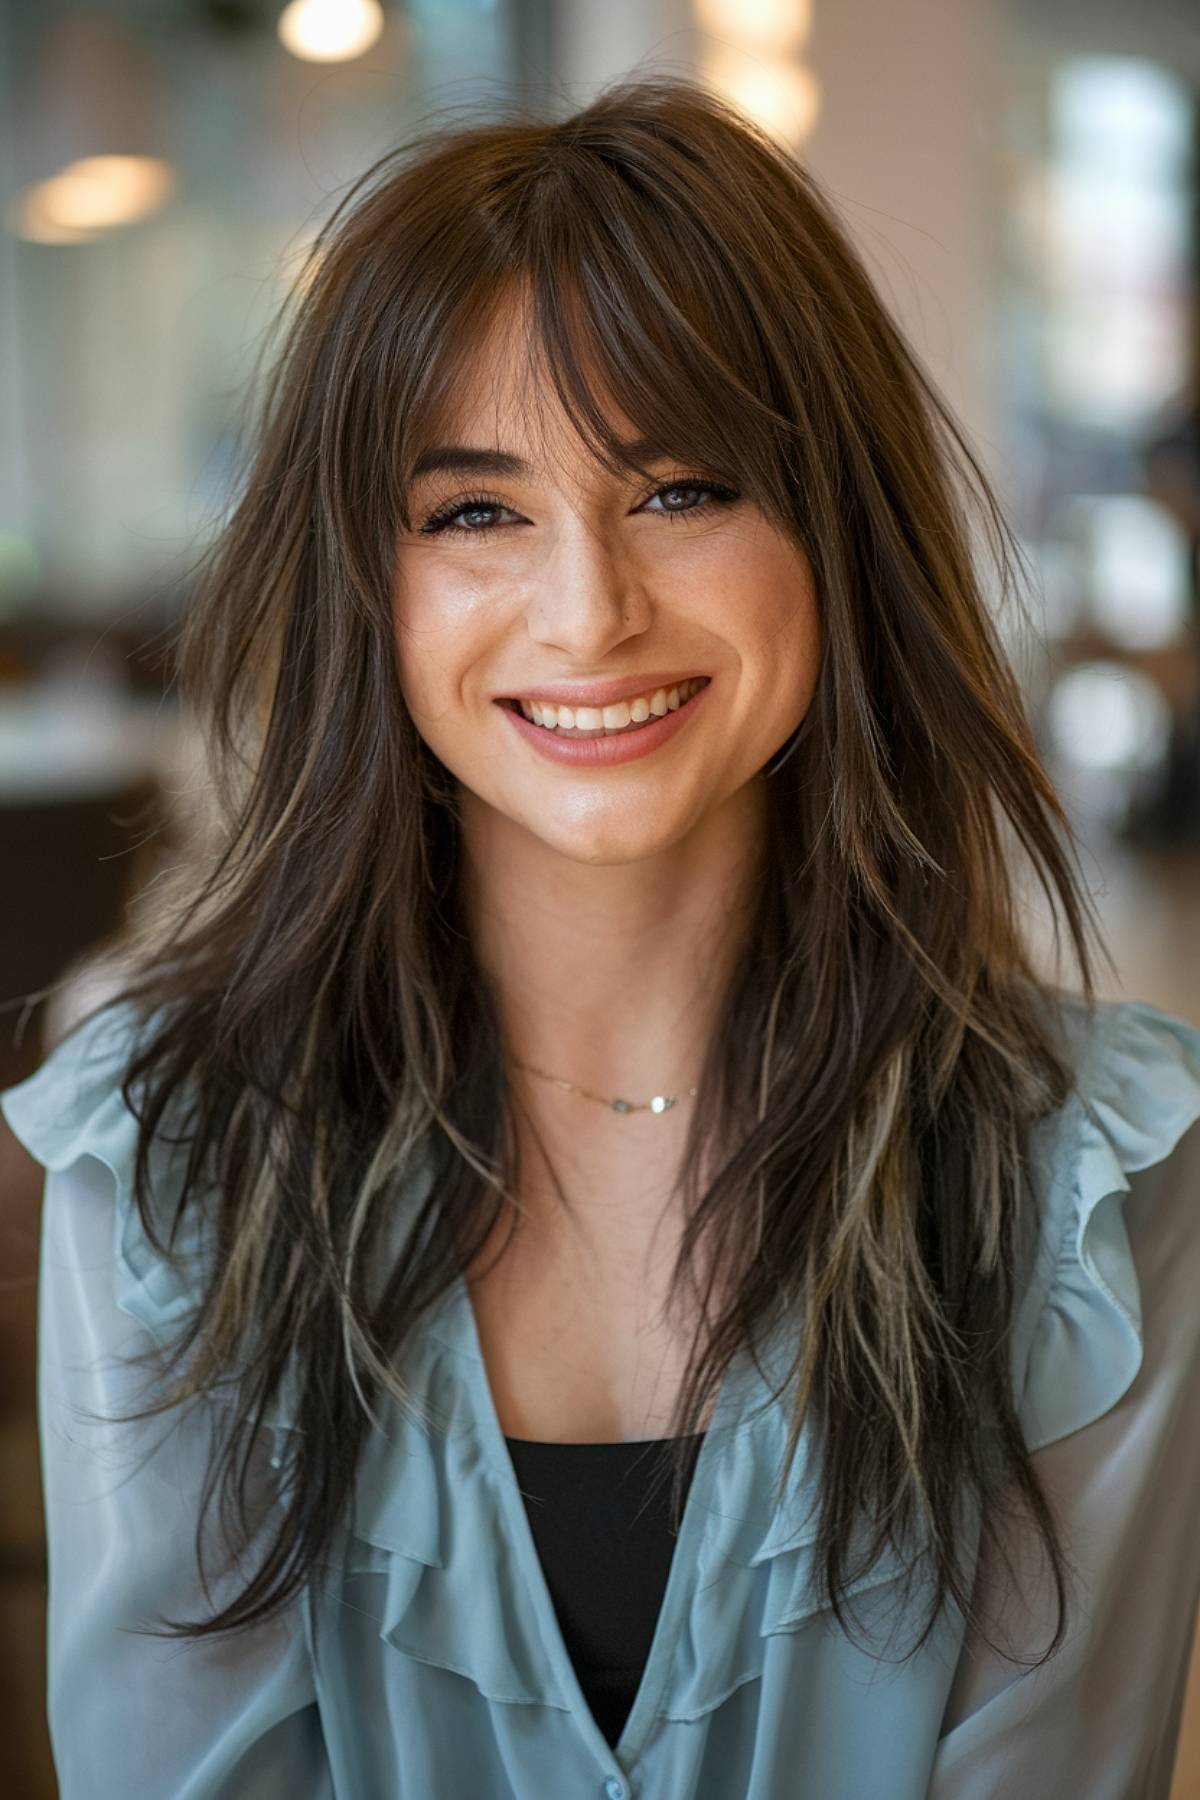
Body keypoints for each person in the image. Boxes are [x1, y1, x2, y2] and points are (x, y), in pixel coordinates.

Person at [4, 74, 1200, 1800]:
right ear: (371, 584)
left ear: (837, 532)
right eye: (476, 512)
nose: (589, 613)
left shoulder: (1090, 1176)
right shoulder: (172, 1152)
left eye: (685, 488)